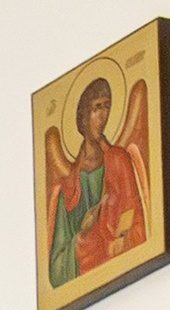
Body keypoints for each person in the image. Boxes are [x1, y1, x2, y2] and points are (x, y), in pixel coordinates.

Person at [44, 71, 149, 289]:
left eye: (106, 106)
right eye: (95, 109)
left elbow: (138, 223)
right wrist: (82, 235)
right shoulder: (68, 191)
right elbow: (55, 271)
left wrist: (116, 243)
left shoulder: (118, 161)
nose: (102, 116)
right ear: (82, 118)